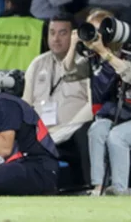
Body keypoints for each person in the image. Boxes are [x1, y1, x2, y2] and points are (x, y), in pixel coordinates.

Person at [66, 9, 131, 196]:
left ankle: (119, 190)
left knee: (117, 136)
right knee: (97, 128)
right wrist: (73, 45)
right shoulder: (103, 56)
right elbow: (69, 73)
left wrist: (104, 52)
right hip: (128, 115)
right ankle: (98, 188)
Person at [22, 13, 92, 187]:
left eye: (62, 33)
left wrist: (64, 131)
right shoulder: (37, 64)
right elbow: (26, 103)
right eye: (52, 33)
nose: (56, 39)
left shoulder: (85, 64)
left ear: (74, 35)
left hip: (71, 136)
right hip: (40, 135)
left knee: (84, 134)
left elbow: (92, 106)